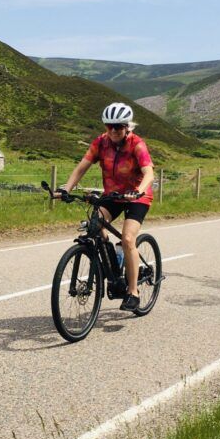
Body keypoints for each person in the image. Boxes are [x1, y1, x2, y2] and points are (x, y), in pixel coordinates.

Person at [55, 102, 155, 312]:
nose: (114, 131)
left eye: (118, 126)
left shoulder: (137, 144)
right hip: (113, 195)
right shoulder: (101, 142)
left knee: (128, 238)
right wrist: (66, 189)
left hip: (137, 196)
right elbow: (82, 167)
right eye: (110, 126)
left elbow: (149, 173)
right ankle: (113, 262)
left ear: (127, 126)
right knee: (94, 225)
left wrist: (139, 190)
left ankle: (133, 292)